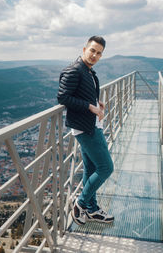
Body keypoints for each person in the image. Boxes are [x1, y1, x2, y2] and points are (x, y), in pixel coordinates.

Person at [57, 36, 114, 225]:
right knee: (106, 168)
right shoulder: (74, 70)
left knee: (91, 169)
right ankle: (80, 204)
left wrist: (96, 103)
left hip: (89, 125)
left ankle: (92, 209)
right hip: (85, 128)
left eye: (99, 53)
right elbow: (63, 97)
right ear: (84, 49)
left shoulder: (88, 71)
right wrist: (90, 107)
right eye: (92, 50)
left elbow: (80, 93)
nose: (95, 55)